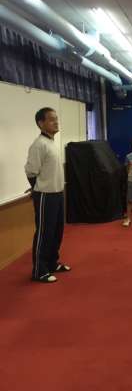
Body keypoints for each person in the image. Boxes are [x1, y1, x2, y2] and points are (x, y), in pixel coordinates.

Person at [25, 107, 70, 284]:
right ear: (41, 123)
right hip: (45, 196)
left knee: (57, 232)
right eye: (51, 119)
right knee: (44, 233)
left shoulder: (51, 142)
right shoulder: (39, 145)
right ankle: (39, 270)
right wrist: (37, 189)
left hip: (58, 194)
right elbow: (31, 172)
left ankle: (51, 263)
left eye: (56, 119)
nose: (56, 122)